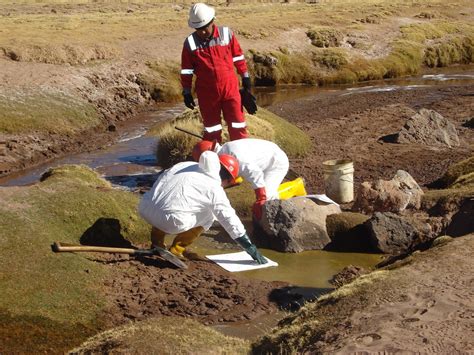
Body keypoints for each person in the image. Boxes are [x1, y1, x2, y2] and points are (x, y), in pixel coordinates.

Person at [138, 150, 267, 264]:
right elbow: (230, 220)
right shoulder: (214, 188)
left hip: (145, 208)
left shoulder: (183, 165)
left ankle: (156, 242)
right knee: (210, 215)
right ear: (227, 180)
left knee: (167, 204)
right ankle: (177, 249)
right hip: (171, 221)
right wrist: (251, 249)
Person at [180, 3, 252, 143]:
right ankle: (213, 159)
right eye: (198, 29)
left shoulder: (227, 34)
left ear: (212, 21)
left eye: (204, 28)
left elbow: (238, 57)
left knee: (238, 124)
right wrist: (186, 92)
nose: (202, 32)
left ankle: (242, 157)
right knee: (211, 129)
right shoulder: (190, 43)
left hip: (230, 89)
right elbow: (186, 70)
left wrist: (245, 77)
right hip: (207, 93)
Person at [192, 138, 290, 221]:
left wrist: (261, 197)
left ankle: (294, 189)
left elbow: (255, 173)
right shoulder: (224, 151)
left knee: (268, 196)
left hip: (276, 162)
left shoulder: (236, 157)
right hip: (263, 157)